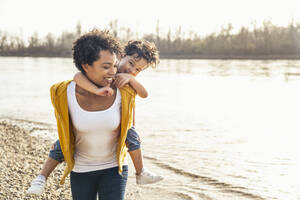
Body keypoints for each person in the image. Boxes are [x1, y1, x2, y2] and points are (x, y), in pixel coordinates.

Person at [27, 35, 162, 196]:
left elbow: (142, 95)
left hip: (116, 161)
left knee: (132, 135)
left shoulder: (126, 84)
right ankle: (41, 177)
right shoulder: (72, 87)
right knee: (62, 143)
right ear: (120, 56)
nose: (131, 70)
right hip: (82, 166)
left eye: (138, 70)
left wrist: (130, 80)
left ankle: (141, 172)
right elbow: (77, 77)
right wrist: (96, 90)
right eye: (131, 63)